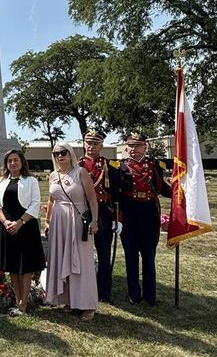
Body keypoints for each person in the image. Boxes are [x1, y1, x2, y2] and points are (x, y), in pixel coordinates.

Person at [44, 142, 100, 321]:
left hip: (77, 221)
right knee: (62, 259)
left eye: (63, 152)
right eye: (56, 154)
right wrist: (47, 222)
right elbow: (51, 201)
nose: (60, 156)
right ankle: (68, 299)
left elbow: (92, 199)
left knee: (81, 261)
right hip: (58, 222)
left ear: (70, 154)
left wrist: (94, 220)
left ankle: (87, 304)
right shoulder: (53, 176)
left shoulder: (81, 172)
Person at [118, 131, 172, 306]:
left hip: (149, 211)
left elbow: (163, 188)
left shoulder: (155, 165)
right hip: (129, 212)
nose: (133, 149)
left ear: (145, 147)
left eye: (137, 145)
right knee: (131, 255)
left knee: (149, 255)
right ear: (126, 147)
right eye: (130, 146)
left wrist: (180, 191)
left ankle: (150, 295)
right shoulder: (119, 166)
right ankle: (134, 293)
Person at [0, 149, 45, 317]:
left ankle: (23, 304)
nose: (13, 163)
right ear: (6, 164)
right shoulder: (1, 181)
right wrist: (5, 221)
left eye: (16, 160)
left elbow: (35, 204)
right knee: (13, 266)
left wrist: (20, 222)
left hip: (25, 227)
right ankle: (17, 301)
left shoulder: (31, 181)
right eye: (9, 161)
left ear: (22, 162)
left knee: (25, 267)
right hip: (6, 227)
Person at [79, 128, 121, 302]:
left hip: (104, 212)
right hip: (82, 212)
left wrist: (118, 219)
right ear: (84, 144)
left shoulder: (110, 166)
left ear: (101, 145)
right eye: (89, 143)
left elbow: (117, 195)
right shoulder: (77, 165)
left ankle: (104, 291)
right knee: (82, 254)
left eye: (95, 144)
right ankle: (83, 289)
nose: (91, 147)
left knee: (104, 254)